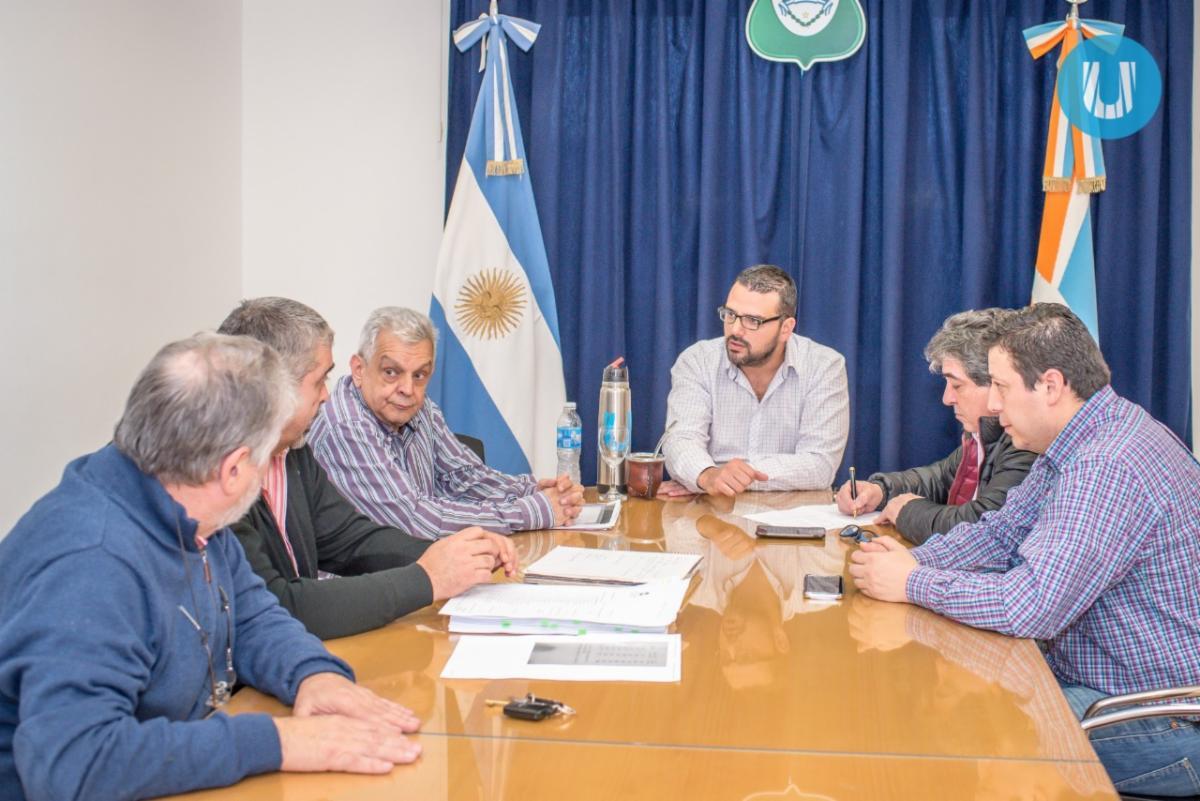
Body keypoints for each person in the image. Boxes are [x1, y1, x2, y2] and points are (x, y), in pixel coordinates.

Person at [0, 334, 425, 801]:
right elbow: (75, 765)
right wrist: (276, 742)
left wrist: (312, 674)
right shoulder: (90, 564)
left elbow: (250, 613)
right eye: (268, 458)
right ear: (235, 469)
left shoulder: (188, 497)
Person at [849, 303, 1200, 797]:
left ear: (1050, 386)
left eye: (1001, 386)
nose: (993, 405)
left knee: (969, 731)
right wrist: (912, 560)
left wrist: (912, 582)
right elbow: (1000, 532)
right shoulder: (1081, 439)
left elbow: (1031, 605)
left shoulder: (1107, 464)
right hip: (1101, 683)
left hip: (1159, 715)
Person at [217, 298, 516, 640]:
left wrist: (450, 556)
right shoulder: (219, 476)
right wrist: (427, 578)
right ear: (271, 388)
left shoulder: (292, 452)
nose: (326, 396)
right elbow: (280, 604)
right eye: (319, 381)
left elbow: (350, 539)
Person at [309, 306, 583, 539]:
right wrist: (533, 510)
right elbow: (416, 520)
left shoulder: (419, 408)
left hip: (411, 569)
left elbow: (464, 477)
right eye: (391, 372)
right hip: (364, 581)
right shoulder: (346, 426)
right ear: (359, 370)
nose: (407, 389)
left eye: (420, 375)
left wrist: (532, 490)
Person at [834, 309, 1035, 544]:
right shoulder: (983, 435)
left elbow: (982, 526)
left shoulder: (1027, 441)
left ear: (995, 383)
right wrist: (880, 491)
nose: (947, 399)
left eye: (957, 386)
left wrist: (907, 511)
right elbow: (939, 478)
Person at [661, 264, 849, 496]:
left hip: (793, 512)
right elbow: (680, 439)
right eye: (730, 315)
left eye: (753, 321)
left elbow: (820, 465)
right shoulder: (697, 361)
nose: (735, 330)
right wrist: (706, 475)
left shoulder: (824, 366)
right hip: (714, 509)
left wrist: (729, 477)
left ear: (786, 328)